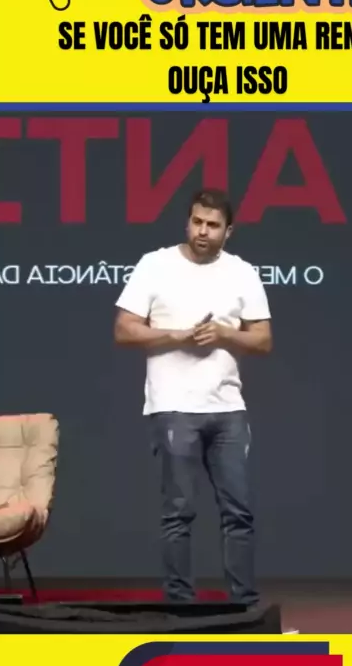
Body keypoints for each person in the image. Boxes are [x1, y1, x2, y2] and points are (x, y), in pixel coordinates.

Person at [114, 188, 272, 606]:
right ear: (188, 222)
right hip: (173, 407)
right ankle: (180, 607)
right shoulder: (155, 265)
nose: (203, 231)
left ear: (228, 231)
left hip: (228, 410)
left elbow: (262, 340)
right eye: (197, 222)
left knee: (238, 512)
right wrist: (178, 336)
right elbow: (124, 329)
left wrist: (224, 334)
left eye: (213, 225)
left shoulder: (242, 272)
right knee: (178, 513)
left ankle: (245, 607)